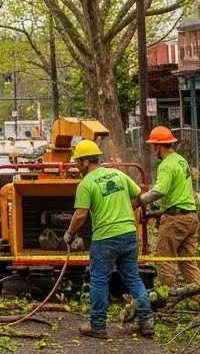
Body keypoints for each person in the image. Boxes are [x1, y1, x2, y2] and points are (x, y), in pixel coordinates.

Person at [62, 139, 155, 339]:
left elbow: (80, 215)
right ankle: (146, 321)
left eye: (78, 161)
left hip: (105, 238)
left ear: (85, 162)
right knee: (133, 277)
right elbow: (138, 195)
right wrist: (125, 210)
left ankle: (97, 324)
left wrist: (69, 234)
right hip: (129, 234)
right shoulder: (118, 175)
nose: (76, 165)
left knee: (98, 280)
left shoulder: (86, 184)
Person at [140, 126, 199, 292]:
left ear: (157, 146)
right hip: (191, 217)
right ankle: (197, 296)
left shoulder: (166, 165)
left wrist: (138, 201)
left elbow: (159, 191)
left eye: (153, 147)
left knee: (163, 256)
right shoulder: (181, 160)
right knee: (187, 260)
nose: (153, 150)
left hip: (175, 218)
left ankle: (169, 294)